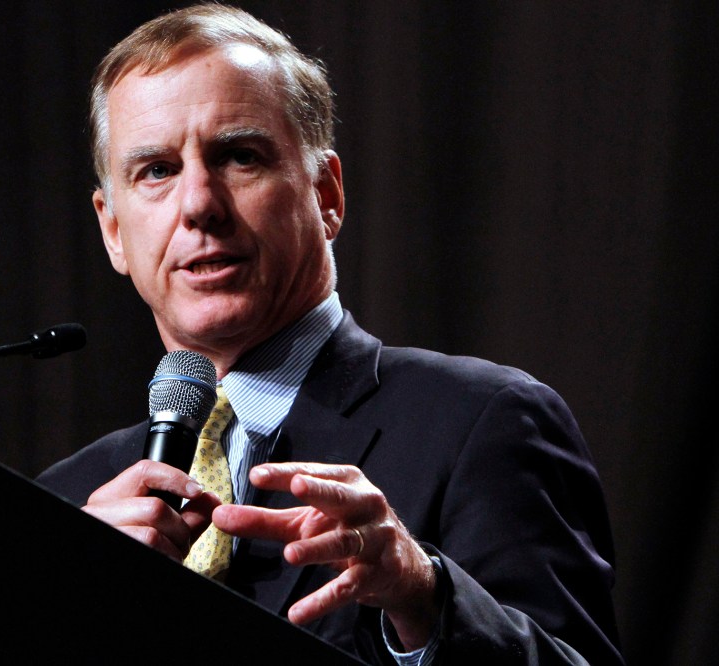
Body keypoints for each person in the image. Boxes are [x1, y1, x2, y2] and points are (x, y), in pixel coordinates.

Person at [37, 5, 622, 664]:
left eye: (239, 156)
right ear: (113, 230)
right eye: (156, 171)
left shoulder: (484, 422)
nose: (199, 204)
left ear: (327, 195)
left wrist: (423, 594)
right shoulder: (68, 501)